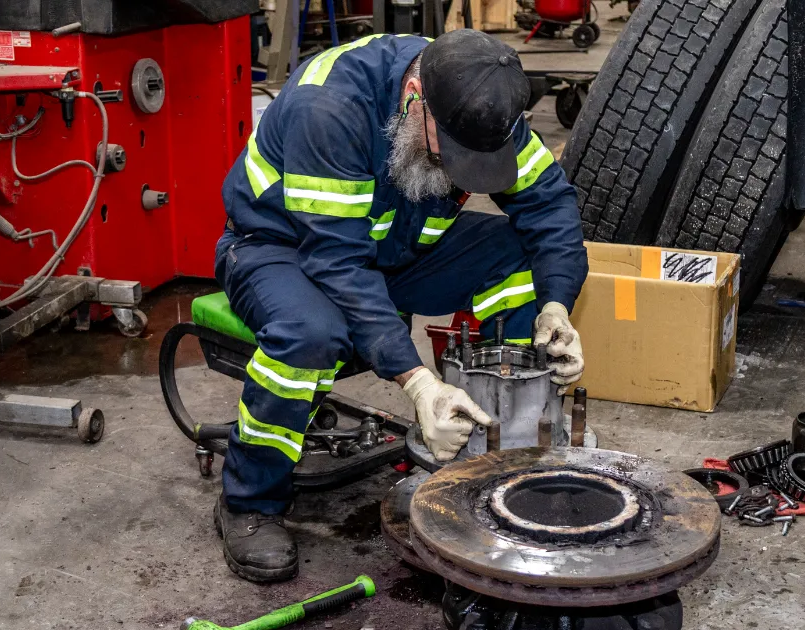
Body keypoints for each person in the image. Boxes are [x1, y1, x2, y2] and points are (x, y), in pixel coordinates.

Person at [213, 29, 589, 582]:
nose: (464, 170)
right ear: (415, 97)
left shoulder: (481, 100)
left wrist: (555, 306)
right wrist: (417, 381)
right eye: (454, 153)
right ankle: (249, 503)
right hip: (283, 249)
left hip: (398, 249)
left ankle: (497, 451)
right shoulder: (330, 107)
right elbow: (336, 264)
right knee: (310, 334)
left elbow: (549, 206)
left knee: (520, 263)